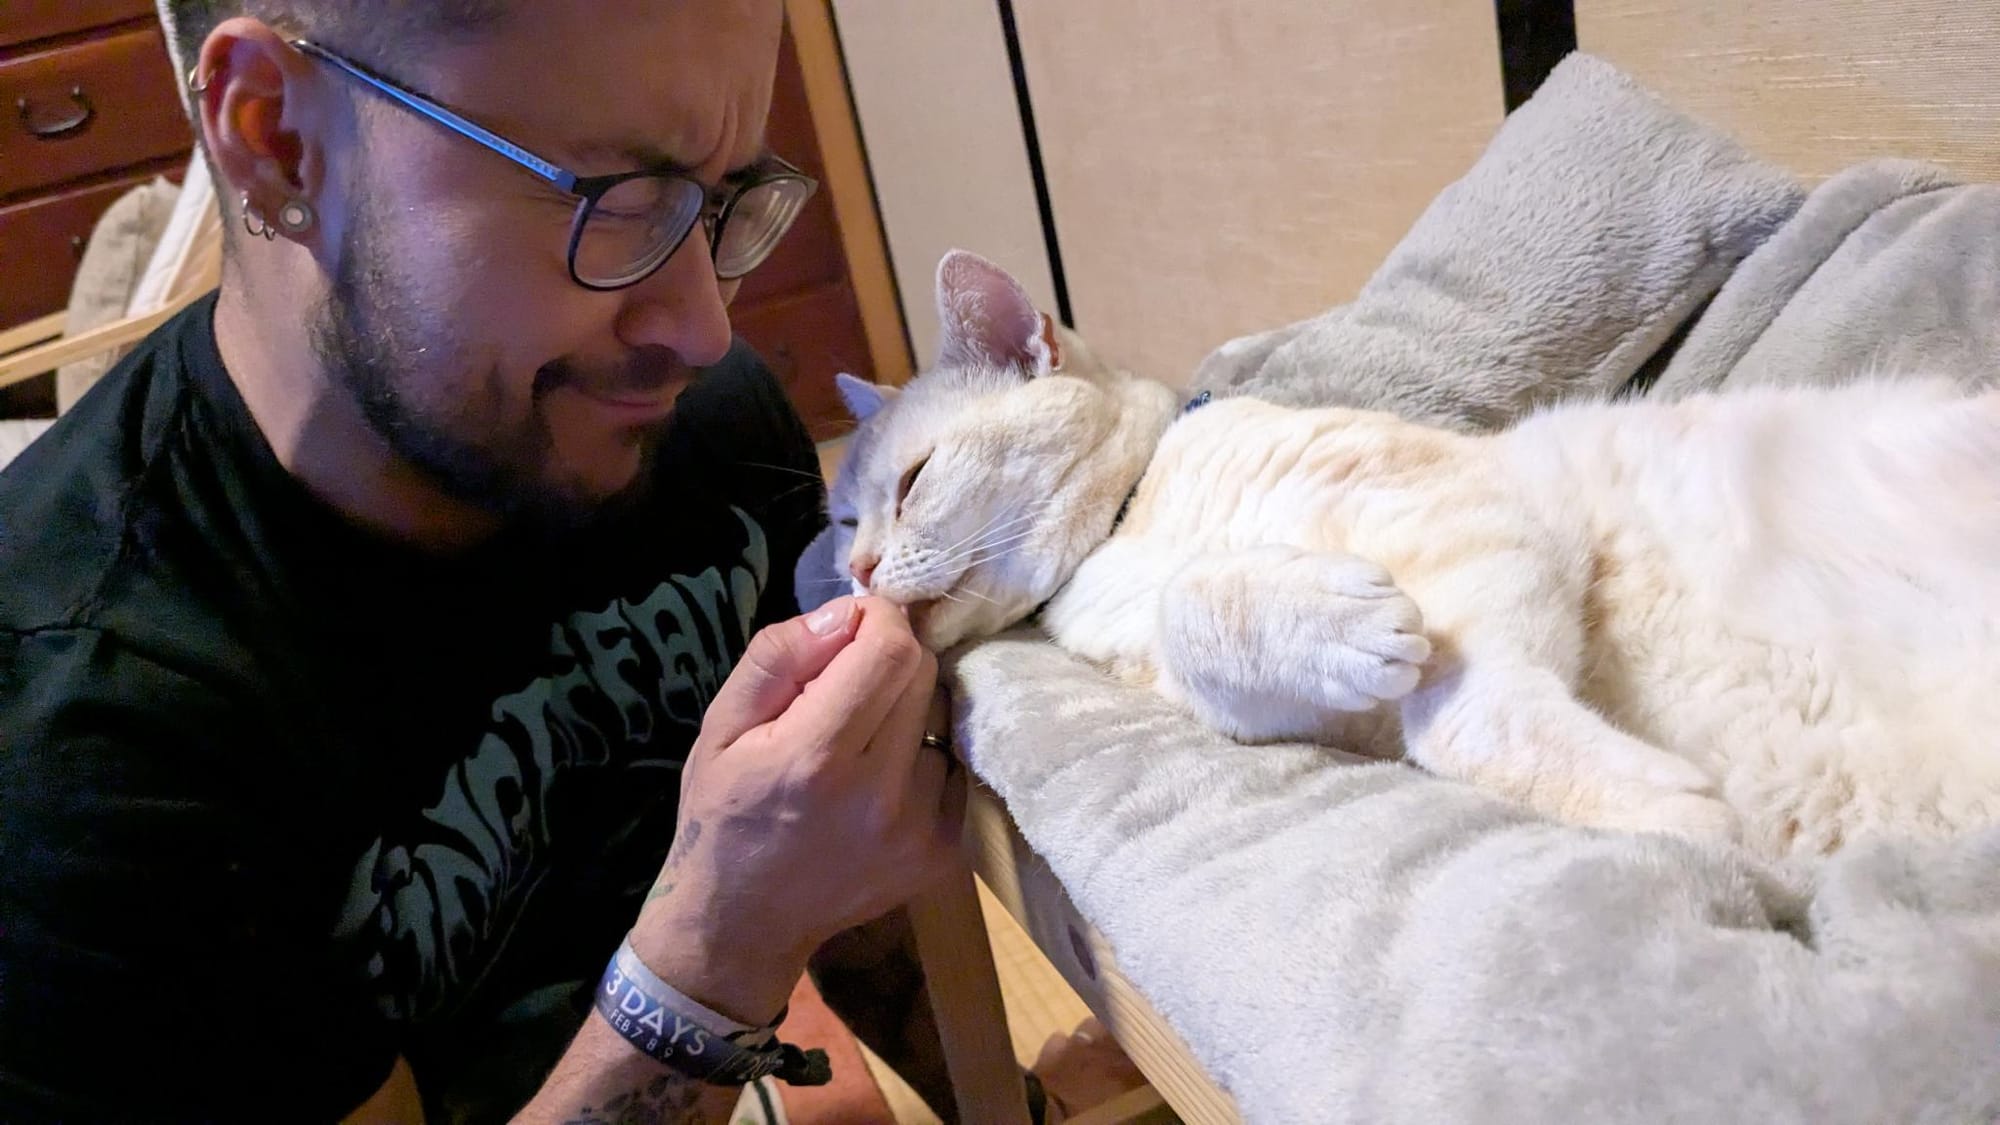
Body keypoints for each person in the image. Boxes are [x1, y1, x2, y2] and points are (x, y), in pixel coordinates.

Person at [0, 1, 969, 1121]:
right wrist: (717, 955)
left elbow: (849, 882)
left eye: (720, 200)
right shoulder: (77, 752)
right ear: (276, 137)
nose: (704, 330)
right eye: (617, 202)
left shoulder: (698, 434)